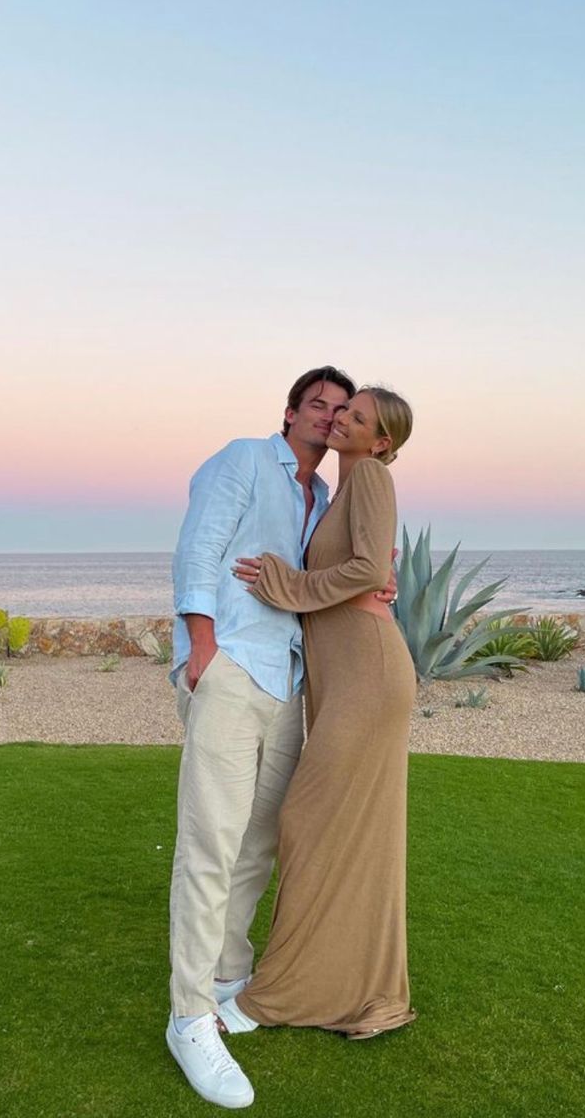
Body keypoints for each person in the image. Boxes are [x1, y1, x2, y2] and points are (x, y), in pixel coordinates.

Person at [166, 367, 394, 1109]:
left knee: (262, 839)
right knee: (210, 844)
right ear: (291, 411)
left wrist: (370, 581)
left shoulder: (326, 495)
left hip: (290, 681)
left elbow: (344, 567)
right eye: (319, 405)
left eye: (342, 409)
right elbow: (199, 550)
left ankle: (232, 970)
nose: (330, 417)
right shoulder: (241, 459)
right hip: (232, 664)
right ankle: (190, 1016)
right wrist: (202, 648)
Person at [217, 386, 416, 1041]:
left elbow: (363, 571)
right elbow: (366, 567)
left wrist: (288, 585)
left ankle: (286, 993)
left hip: (367, 675)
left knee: (305, 818)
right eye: (342, 410)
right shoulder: (340, 490)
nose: (342, 421)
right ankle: (345, 985)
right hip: (339, 677)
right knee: (341, 833)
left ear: (380, 441)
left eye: (358, 418)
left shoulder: (372, 482)